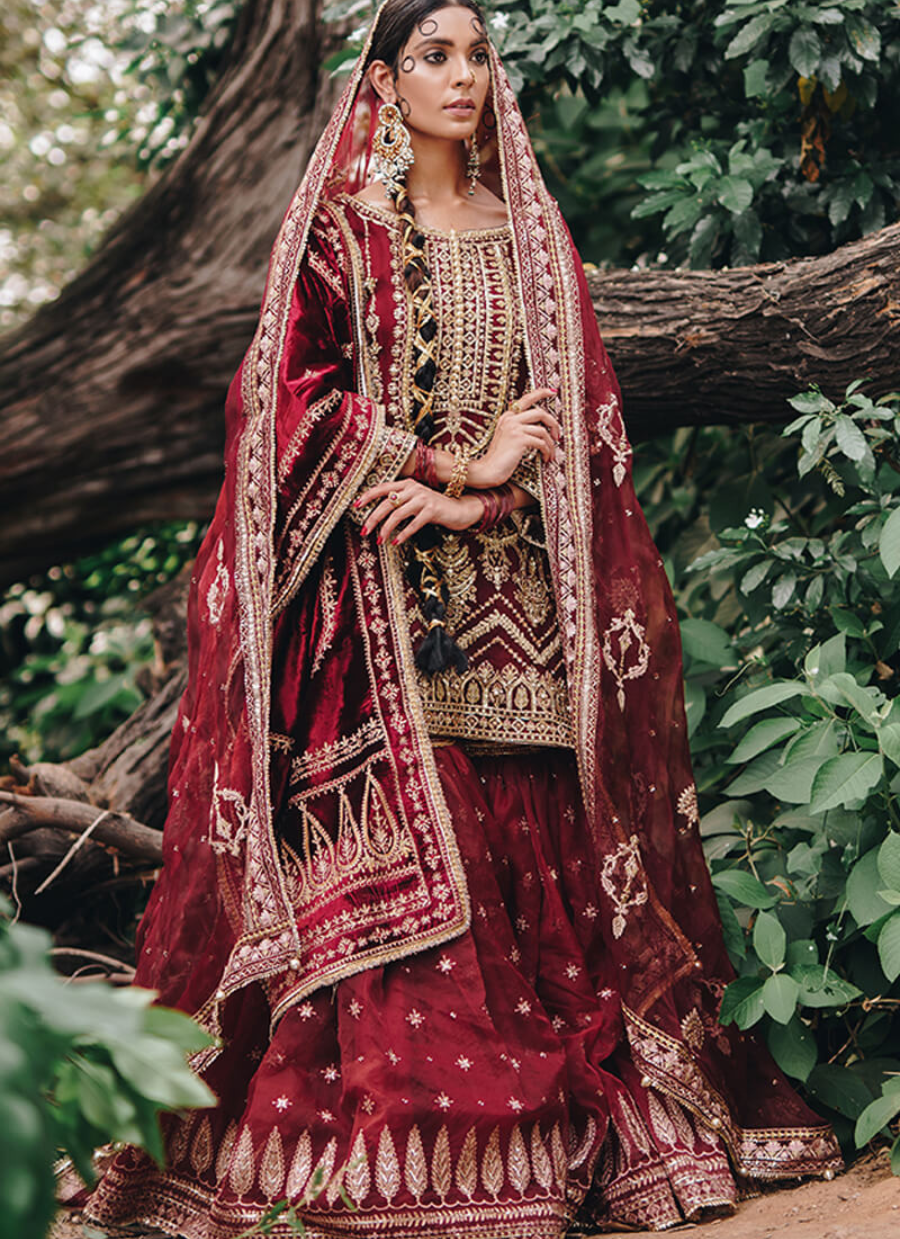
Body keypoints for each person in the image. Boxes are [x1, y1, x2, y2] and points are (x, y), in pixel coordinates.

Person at [83, 2, 841, 1235]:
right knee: (417, 870)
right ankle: (384, 1160)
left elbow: (573, 444)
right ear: (383, 81)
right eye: (435, 56)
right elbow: (280, 417)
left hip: (522, 618)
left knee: (535, 875)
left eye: (479, 56)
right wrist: (446, 470)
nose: (465, 77)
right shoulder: (341, 239)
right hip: (375, 624)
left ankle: (548, 1153)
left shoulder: (535, 245)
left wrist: (484, 489)